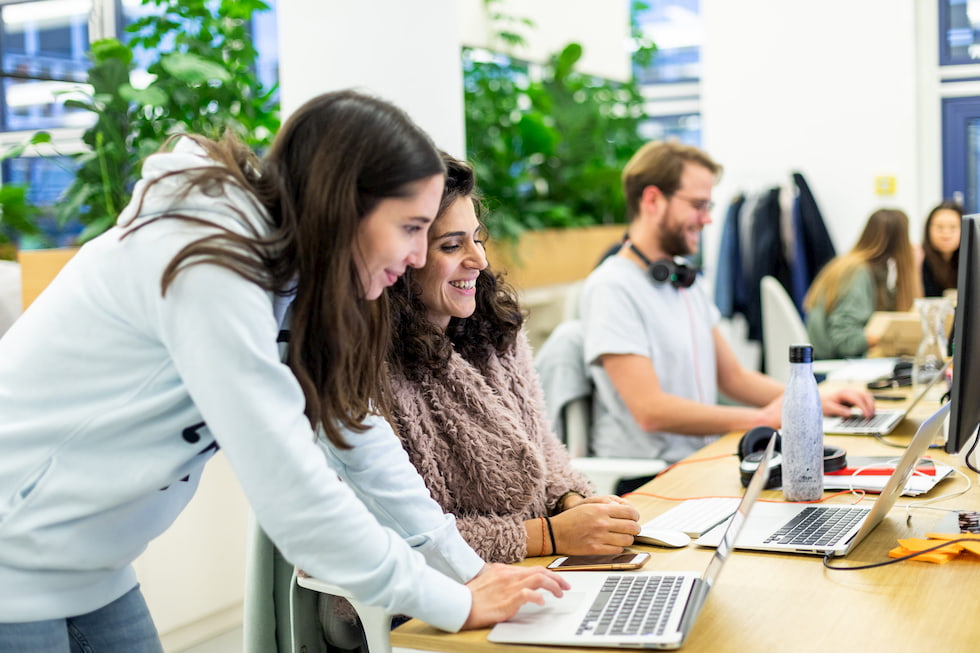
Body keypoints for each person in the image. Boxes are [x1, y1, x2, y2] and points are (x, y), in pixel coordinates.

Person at [0, 90, 565, 651]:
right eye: (411, 227)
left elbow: (356, 436)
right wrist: (457, 601)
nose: (418, 255)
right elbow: (296, 498)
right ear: (346, 207)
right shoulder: (208, 265)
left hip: (93, 565)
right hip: (15, 557)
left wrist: (469, 572)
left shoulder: (295, 283)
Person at [384, 153, 641, 562]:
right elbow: (402, 541)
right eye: (452, 245)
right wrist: (547, 537)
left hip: (534, 566)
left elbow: (542, 447)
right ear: (397, 255)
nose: (479, 260)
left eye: (477, 238)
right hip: (440, 601)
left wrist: (573, 503)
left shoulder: (493, 331)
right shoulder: (370, 373)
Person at [579, 141, 874, 492]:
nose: (708, 218)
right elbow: (650, 409)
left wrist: (810, 397)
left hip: (699, 464)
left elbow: (732, 377)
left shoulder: (685, 281)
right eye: (698, 205)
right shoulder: (612, 287)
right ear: (653, 200)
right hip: (648, 481)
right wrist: (763, 419)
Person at [804, 208, 921, 359]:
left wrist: (914, 267)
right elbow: (846, 341)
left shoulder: (866, 267)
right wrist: (882, 336)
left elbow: (891, 310)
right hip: (834, 365)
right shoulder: (856, 272)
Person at [920, 200, 962, 297]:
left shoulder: (973, 261)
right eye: (939, 227)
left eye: (953, 228)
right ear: (928, 229)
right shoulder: (918, 259)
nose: (946, 234)